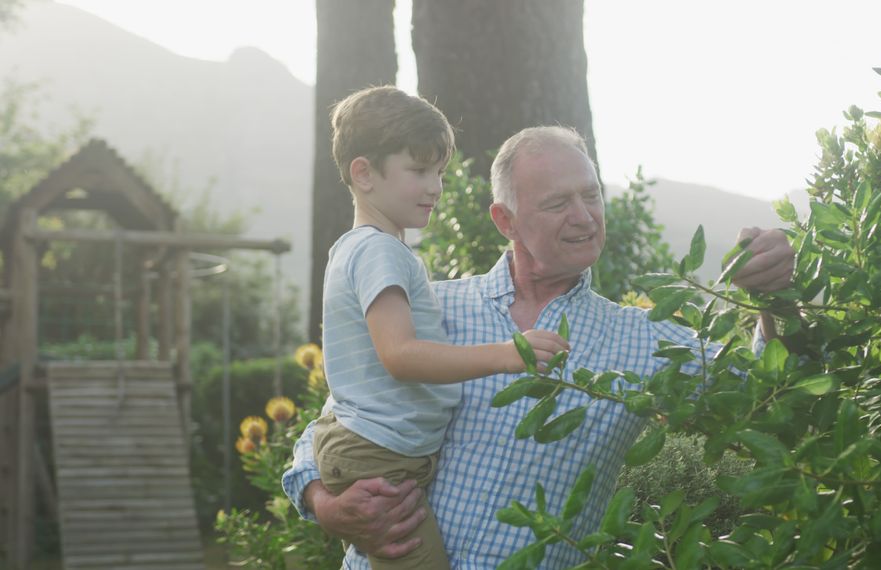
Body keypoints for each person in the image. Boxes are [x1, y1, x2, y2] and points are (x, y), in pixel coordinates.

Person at [283, 125, 795, 569]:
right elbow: (335, 423)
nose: (584, 217)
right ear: (505, 221)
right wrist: (325, 502)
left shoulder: (647, 340)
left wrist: (777, 301)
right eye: (557, 203)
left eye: (591, 196)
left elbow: (768, 390)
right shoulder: (427, 311)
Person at [313, 87, 570, 570]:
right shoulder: (379, 251)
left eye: (439, 173)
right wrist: (508, 353)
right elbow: (401, 355)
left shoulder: (364, 249)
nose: (435, 187)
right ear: (363, 173)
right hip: (380, 456)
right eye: (418, 171)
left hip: (379, 448)